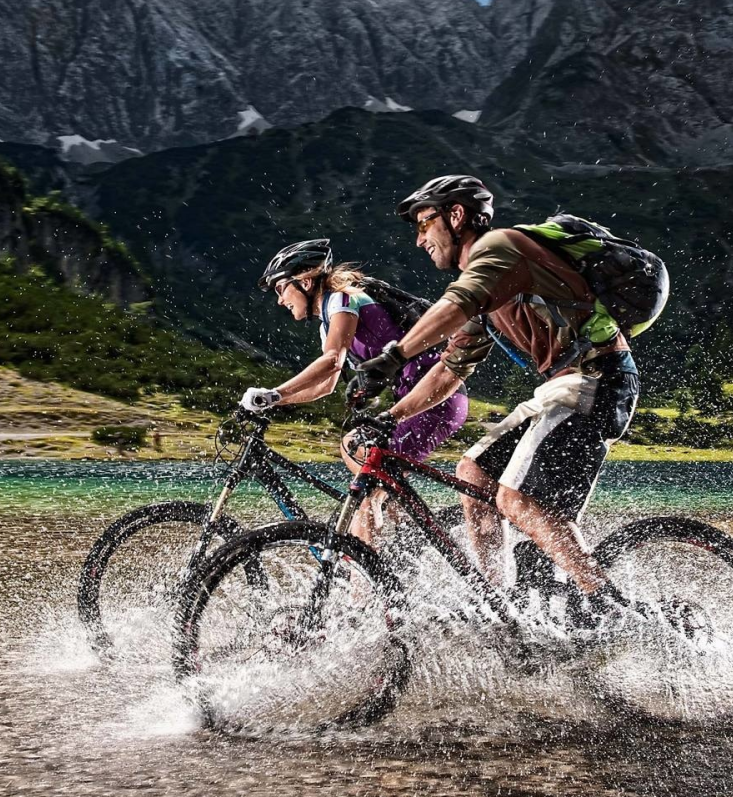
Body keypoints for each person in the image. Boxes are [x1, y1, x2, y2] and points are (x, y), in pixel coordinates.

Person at [351, 175, 642, 619]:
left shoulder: (499, 248)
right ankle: (499, 605)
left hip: (596, 378)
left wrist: (394, 356)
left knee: (516, 499)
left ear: (456, 215)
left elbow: (456, 304)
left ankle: (614, 607)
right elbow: (450, 369)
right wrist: (391, 417)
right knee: (473, 475)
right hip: (563, 387)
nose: (418, 239)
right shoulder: (489, 289)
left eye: (424, 223)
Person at [240, 239, 469, 545]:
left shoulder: (342, 299)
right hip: (422, 401)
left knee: (357, 457)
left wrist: (274, 393)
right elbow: (326, 384)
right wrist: (274, 402)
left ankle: (369, 576)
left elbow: (331, 361)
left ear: (305, 281)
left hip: (435, 398)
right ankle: (398, 536)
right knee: (370, 472)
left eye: (282, 288)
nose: (281, 300)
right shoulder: (329, 318)